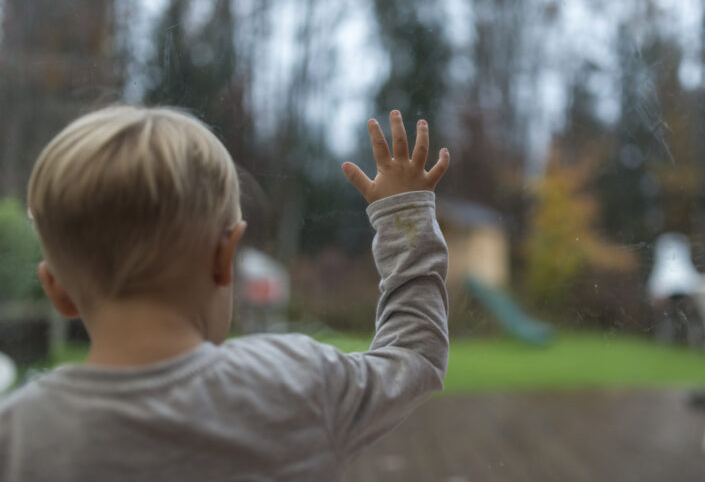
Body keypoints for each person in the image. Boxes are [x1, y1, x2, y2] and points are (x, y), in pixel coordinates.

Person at [0, 106, 450, 482]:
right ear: (225, 256)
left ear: (57, 291)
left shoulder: (16, 435)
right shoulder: (297, 383)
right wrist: (404, 216)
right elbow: (415, 354)